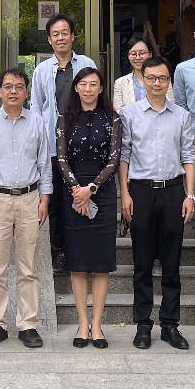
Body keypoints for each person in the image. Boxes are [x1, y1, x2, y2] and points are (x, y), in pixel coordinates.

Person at [118, 56, 195, 351]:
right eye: (151, 78)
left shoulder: (182, 116)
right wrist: (125, 194)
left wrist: (190, 195)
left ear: (168, 81)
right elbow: (124, 157)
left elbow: (188, 156)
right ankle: (143, 324)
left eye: (162, 78)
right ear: (143, 80)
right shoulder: (129, 114)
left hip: (174, 191)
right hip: (141, 192)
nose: (156, 83)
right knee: (142, 262)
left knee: (172, 262)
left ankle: (170, 325)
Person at [0, 68, 51, 350]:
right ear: (0, 91)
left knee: (28, 266)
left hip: (30, 198)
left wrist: (45, 198)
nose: (13, 91)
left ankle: (28, 324)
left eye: (19, 86)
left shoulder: (37, 122)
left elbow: (44, 163)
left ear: (26, 91)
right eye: (8, 86)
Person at [56, 67, 121, 349]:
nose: (88, 89)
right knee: (79, 264)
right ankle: (83, 323)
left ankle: (97, 325)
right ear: (76, 88)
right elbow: (61, 158)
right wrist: (77, 190)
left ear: (101, 88)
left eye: (94, 84)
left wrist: (91, 189)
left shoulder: (113, 119)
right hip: (72, 193)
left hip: (102, 194)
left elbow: (114, 159)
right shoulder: (65, 118)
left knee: (101, 264)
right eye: (83, 84)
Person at [29, 13, 96, 270]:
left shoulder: (87, 63)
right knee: (56, 199)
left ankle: (80, 249)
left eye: (64, 33)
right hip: (52, 143)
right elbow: (36, 107)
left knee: (81, 195)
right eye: (55, 34)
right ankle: (58, 250)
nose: (60, 38)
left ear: (72, 36)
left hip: (83, 144)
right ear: (49, 39)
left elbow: (94, 98)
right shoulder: (41, 70)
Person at [113, 35, 176, 112]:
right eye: (133, 54)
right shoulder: (120, 83)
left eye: (142, 53)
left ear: (150, 54)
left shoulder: (163, 79)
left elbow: (170, 106)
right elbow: (119, 112)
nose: (137, 57)